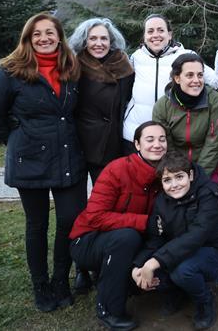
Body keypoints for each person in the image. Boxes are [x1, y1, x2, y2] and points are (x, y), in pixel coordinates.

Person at [0, 12, 86, 312]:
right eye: (37, 33)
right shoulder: (9, 71)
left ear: (59, 36)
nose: (44, 38)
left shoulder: (71, 67)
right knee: (37, 224)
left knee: (69, 220)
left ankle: (60, 280)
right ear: (28, 38)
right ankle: (41, 285)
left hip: (68, 155)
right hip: (30, 160)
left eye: (50, 32)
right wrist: (20, 140)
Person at [69, 121, 167, 330]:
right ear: (137, 145)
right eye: (150, 140)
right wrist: (143, 222)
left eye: (162, 139)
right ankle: (109, 309)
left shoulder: (166, 175)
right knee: (127, 237)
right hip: (88, 239)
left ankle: (132, 281)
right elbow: (95, 216)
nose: (157, 144)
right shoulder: (117, 169)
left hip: (130, 240)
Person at [132, 151, 218, 330]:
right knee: (151, 272)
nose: (174, 185)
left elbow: (196, 236)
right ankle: (177, 292)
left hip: (214, 252)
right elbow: (156, 238)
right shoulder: (161, 202)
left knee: (182, 271)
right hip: (179, 251)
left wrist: (154, 262)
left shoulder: (208, 194)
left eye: (179, 177)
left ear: (191, 175)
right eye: (167, 180)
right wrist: (138, 266)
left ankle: (205, 302)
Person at [122, 14, 218, 152]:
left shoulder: (185, 55)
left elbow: (217, 83)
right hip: (133, 134)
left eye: (161, 30)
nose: (155, 35)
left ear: (170, 34)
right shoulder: (136, 57)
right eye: (150, 31)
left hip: (167, 139)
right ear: (144, 36)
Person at [70, 18, 135, 184]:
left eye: (104, 38)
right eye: (93, 38)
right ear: (84, 41)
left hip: (114, 144)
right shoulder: (74, 67)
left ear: (111, 41)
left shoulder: (124, 66)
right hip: (80, 144)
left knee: (107, 199)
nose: (99, 43)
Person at [152, 53, 218, 181]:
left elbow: (213, 143)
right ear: (177, 78)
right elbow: (167, 146)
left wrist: (198, 177)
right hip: (175, 169)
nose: (196, 80)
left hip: (208, 167)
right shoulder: (162, 106)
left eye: (200, 75)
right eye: (189, 75)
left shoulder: (214, 100)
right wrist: (180, 175)